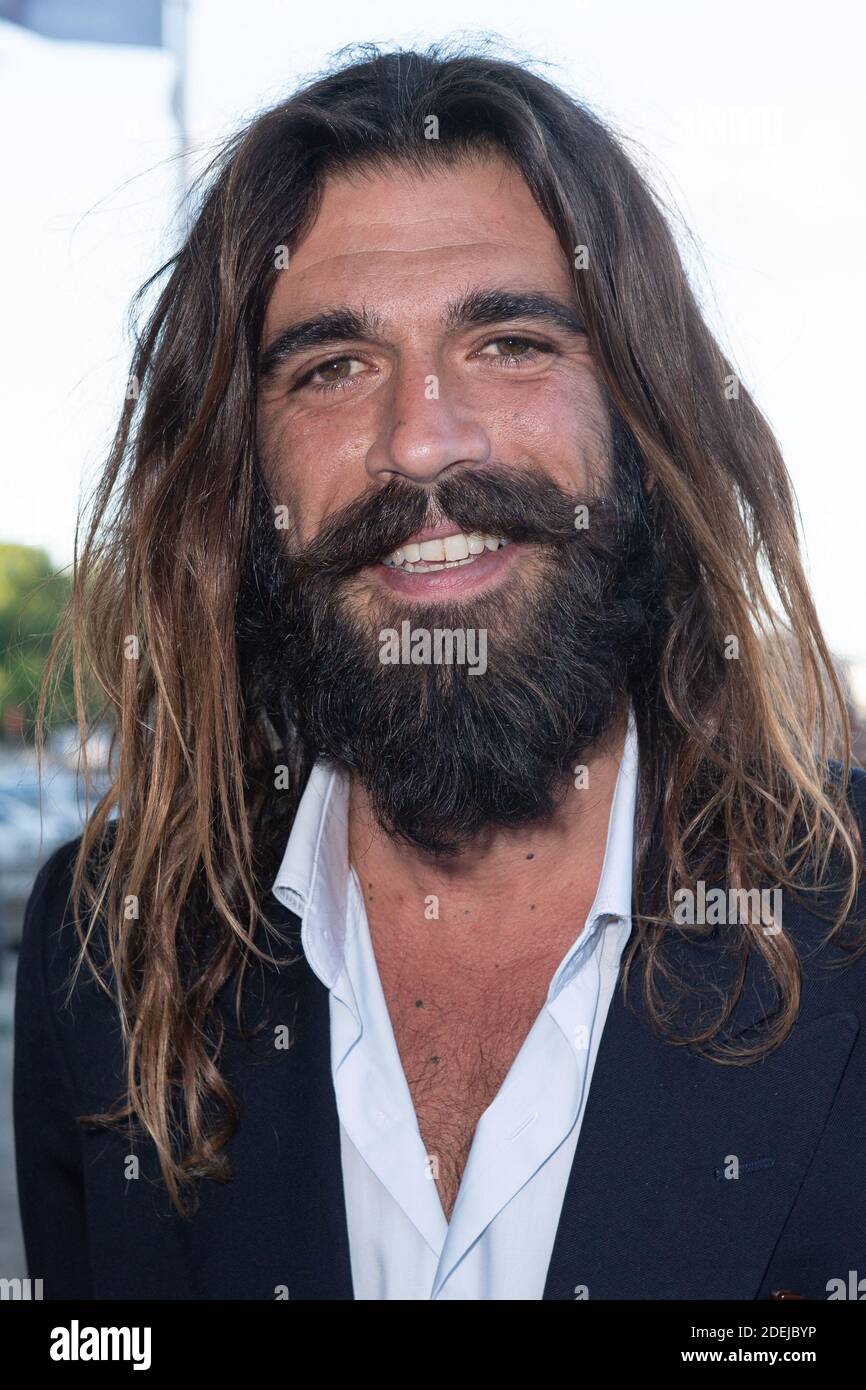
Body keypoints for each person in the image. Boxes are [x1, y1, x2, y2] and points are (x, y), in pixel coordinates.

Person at [14, 43, 866, 1301]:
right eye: (331, 368)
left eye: (510, 342)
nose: (418, 437)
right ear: (243, 486)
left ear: (640, 423)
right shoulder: (104, 951)